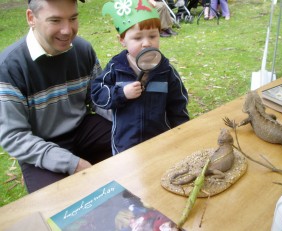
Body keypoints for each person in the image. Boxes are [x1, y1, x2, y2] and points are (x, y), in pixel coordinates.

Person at [0, 0, 112, 193]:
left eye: (73, 18)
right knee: (58, 203)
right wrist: (72, 164)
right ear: (31, 18)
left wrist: (128, 118)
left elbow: (98, 98)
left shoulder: (83, 49)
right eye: (55, 20)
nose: (67, 30)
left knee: (132, 137)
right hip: (39, 145)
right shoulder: (10, 67)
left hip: (83, 129)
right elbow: (13, 136)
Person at [91, 0, 190, 154]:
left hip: (161, 144)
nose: (146, 43)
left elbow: (178, 106)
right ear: (122, 40)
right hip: (125, 145)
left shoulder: (165, 70)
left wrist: (182, 134)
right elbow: (97, 95)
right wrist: (121, 93)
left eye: (153, 36)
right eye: (138, 38)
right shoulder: (116, 67)